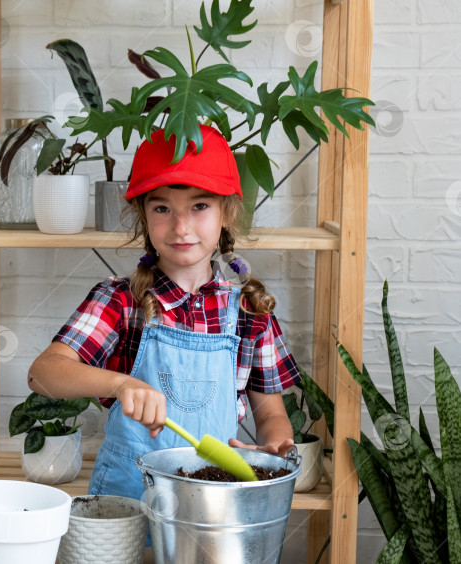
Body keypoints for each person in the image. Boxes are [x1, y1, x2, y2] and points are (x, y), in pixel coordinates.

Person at [27, 126, 301, 503]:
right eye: (162, 208)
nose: (181, 227)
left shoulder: (249, 311)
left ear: (227, 212)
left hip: (211, 506)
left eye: (199, 206)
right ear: (143, 214)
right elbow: (43, 374)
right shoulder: (122, 302)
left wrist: (271, 451)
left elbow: (271, 414)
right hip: (126, 504)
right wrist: (119, 384)